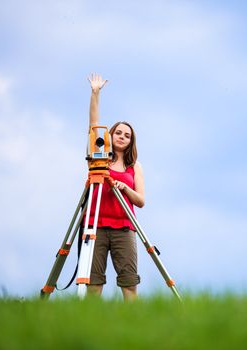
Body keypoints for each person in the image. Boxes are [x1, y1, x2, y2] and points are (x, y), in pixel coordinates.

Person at [84, 73, 145, 301]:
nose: (122, 137)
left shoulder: (135, 166)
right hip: (95, 225)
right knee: (93, 282)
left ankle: (132, 326)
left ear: (131, 141)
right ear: (111, 135)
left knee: (129, 282)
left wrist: (124, 188)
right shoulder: (98, 157)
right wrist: (95, 94)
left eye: (126, 135)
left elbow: (141, 201)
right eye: (118, 132)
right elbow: (93, 125)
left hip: (124, 228)